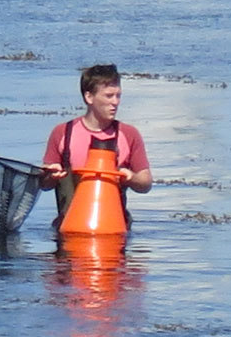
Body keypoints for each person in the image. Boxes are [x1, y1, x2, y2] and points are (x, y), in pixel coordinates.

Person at [41, 64, 152, 226]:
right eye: (108, 96)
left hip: (114, 230)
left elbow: (146, 183)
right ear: (89, 97)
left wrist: (131, 178)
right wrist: (51, 176)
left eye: (118, 96)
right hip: (68, 229)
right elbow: (44, 185)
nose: (115, 102)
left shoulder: (129, 134)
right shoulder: (63, 132)